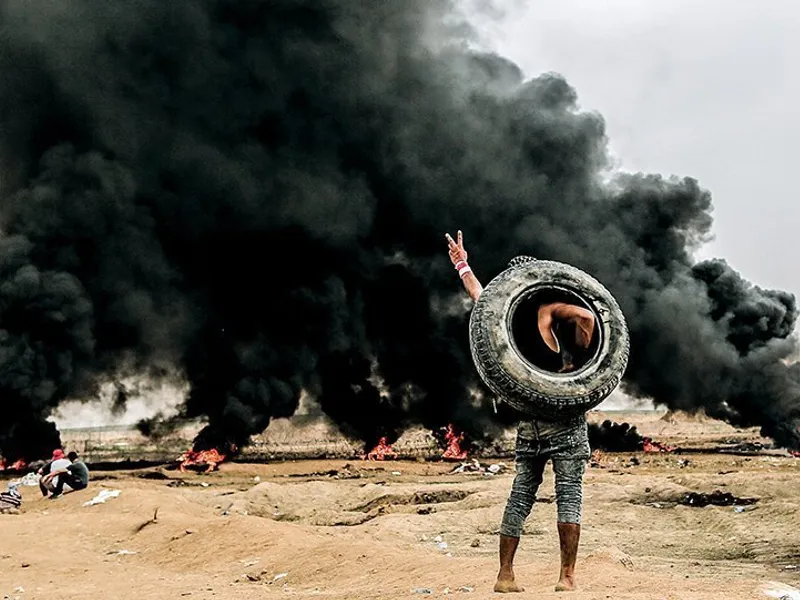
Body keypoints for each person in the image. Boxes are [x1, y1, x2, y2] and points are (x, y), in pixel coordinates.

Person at [446, 230, 594, 593]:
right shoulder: (546, 310)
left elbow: (478, 296)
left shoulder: (500, 322)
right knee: (569, 494)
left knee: (520, 496)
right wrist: (580, 358)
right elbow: (589, 315)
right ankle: (566, 577)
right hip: (564, 419)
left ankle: (505, 575)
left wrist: (462, 264)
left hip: (529, 423)